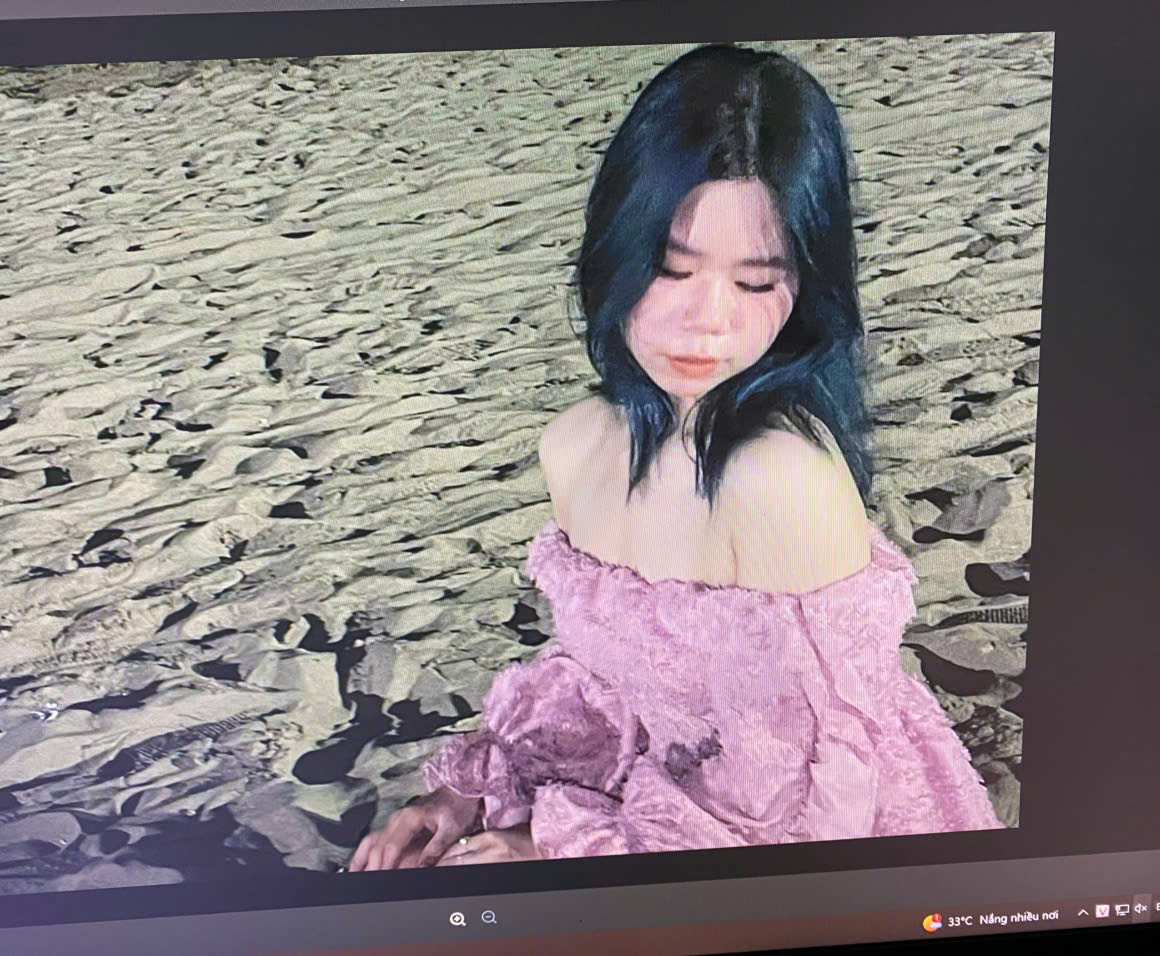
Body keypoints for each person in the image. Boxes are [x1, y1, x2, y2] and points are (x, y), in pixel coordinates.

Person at [348, 44, 1001, 872]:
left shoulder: (781, 479)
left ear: (805, 287)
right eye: (669, 268)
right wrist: (464, 799)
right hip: (658, 800)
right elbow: (601, 677)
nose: (708, 322)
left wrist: (548, 843)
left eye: (756, 282)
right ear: (614, 250)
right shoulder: (579, 443)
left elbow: (805, 806)